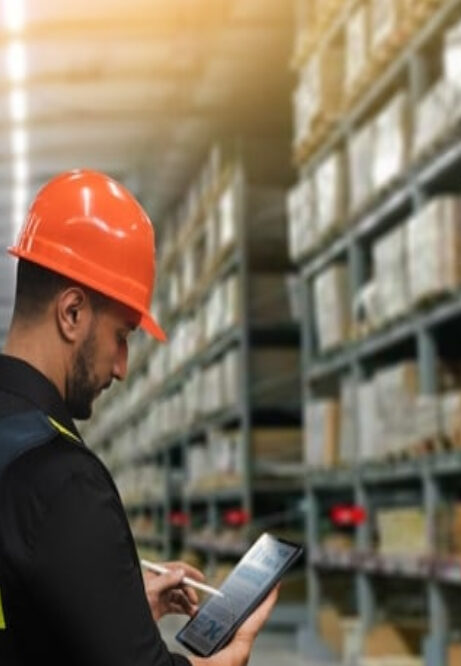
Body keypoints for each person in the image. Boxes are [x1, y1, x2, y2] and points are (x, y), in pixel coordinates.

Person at [0, 170, 278, 665]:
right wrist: (226, 660)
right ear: (72, 314)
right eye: (122, 335)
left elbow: (24, 608)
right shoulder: (62, 479)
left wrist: (115, 613)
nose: (123, 368)